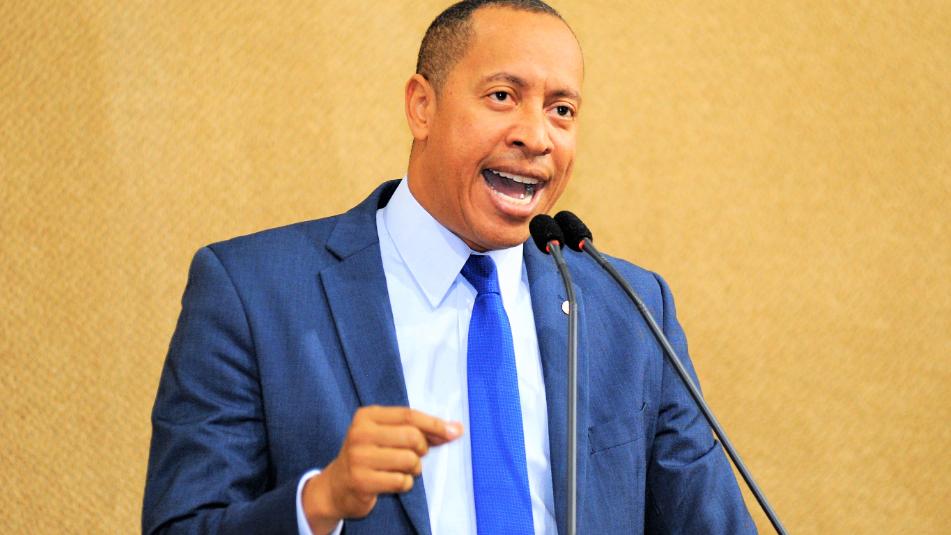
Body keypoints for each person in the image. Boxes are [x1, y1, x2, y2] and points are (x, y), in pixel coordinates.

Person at [143, 1, 756, 534]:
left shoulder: (629, 308)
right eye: (502, 96)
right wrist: (319, 502)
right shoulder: (252, 292)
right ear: (421, 106)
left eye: (562, 109)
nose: (536, 136)